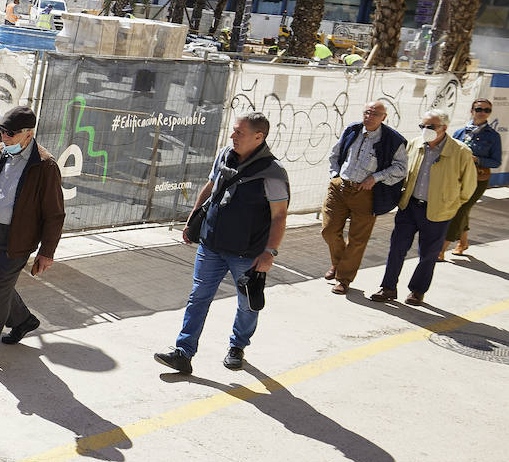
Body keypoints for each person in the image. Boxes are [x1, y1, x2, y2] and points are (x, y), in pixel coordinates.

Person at [155, 113, 289, 374]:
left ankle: (237, 346)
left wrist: (269, 252)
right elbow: (210, 186)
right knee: (198, 297)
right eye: (234, 130)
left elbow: (279, 216)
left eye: (240, 132)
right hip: (212, 244)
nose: (233, 136)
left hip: (247, 253)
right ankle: (183, 352)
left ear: (258, 137)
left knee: (247, 303)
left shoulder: (273, 172)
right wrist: (193, 220)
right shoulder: (225, 154)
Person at [0, 105, 65, 374]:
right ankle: (23, 320)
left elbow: (55, 214)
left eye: (10, 133)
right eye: (2, 131)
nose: (4, 137)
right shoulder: (1, 151)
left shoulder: (45, 166)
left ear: (28, 133)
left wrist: (47, 252)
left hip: (17, 239)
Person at [369, 108, 476, 305]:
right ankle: (388, 287)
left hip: (438, 211)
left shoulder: (460, 152)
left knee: (429, 254)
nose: (426, 130)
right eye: (423, 126)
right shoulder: (415, 144)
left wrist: (450, 205)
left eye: (431, 126)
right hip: (409, 206)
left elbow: (468, 187)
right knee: (397, 248)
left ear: (444, 128)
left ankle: (417, 291)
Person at [321, 101, 408, 294]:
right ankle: (339, 263)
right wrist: (335, 175)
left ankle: (343, 279)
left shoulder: (393, 140)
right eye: (367, 112)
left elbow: (401, 168)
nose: (369, 116)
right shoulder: (352, 130)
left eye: (375, 114)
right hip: (340, 187)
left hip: (367, 193)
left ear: (384, 117)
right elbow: (335, 154)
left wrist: (376, 178)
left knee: (357, 239)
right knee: (328, 230)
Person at [441, 99, 501, 259]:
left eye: (487, 110)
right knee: (463, 209)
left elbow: (496, 162)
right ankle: (463, 242)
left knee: (460, 210)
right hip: (457, 177)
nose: (482, 113)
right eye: (479, 109)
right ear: (472, 111)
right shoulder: (460, 133)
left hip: (477, 179)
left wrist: (477, 159)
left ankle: (442, 248)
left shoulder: (493, 136)